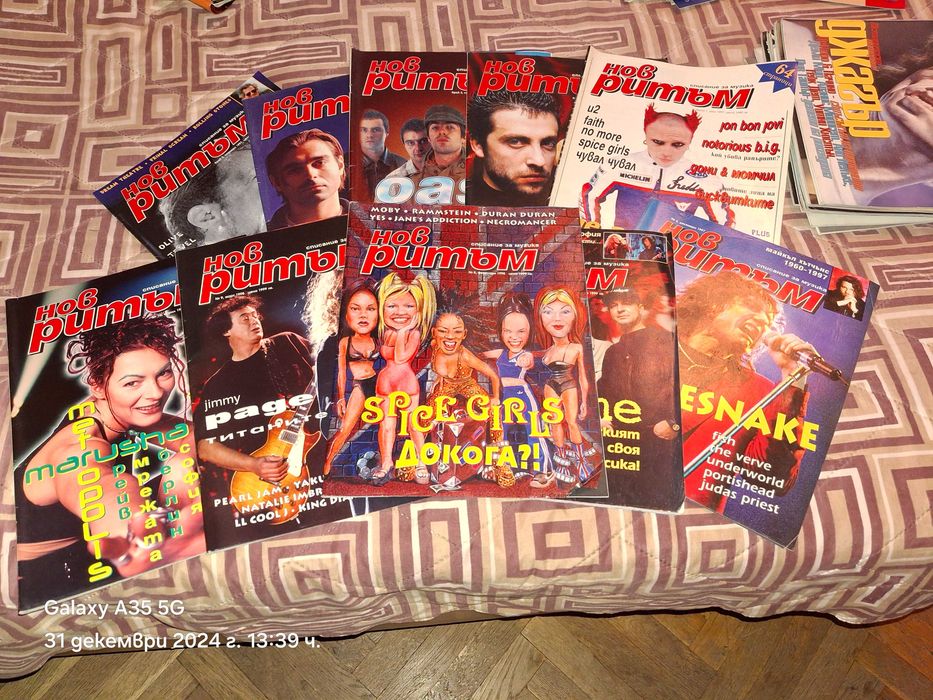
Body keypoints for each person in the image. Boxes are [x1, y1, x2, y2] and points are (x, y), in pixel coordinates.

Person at [16, 315, 205, 606]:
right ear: (97, 385)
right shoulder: (79, 445)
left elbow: (196, 440)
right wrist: (133, 531)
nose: (155, 392)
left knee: (183, 466)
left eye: (163, 373)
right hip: (46, 578)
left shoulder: (116, 409)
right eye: (132, 382)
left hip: (91, 550)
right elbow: (101, 485)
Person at [677, 271, 815, 512]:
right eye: (751, 305)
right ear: (711, 304)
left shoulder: (759, 391)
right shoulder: (642, 347)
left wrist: (793, 377)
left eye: (768, 322)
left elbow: (773, 477)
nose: (762, 321)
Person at [195, 295, 318, 546]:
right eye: (244, 318)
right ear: (226, 331)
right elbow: (204, 446)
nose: (254, 321)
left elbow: (330, 366)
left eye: (254, 316)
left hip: (318, 457)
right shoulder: (218, 385)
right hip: (268, 479)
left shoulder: (287, 343)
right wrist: (253, 465)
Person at [582, 105, 733, 229]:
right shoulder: (618, 164)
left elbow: (725, 223)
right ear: (646, 136)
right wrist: (593, 229)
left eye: (678, 144)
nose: (666, 152)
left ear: (690, 142)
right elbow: (589, 194)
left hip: (674, 251)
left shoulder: (706, 179)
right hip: (623, 246)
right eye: (658, 142)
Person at [597, 288, 680, 508]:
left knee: (655, 502)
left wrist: (675, 422)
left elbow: (686, 385)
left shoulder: (665, 340)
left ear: (641, 308)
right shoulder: (612, 352)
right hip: (621, 445)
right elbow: (604, 391)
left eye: (626, 303)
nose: (620, 309)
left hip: (659, 443)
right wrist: (600, 417)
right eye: (613, 305)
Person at [427, 310, 507, 487]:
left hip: (467, 384)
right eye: (443, 331)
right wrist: (439, 378)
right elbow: (444, 368)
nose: (450, 337)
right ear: (434, 333)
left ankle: (500, 463)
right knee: (426, 415)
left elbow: (493, 376)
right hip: (447, 385)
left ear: (464, 334)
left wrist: (495, 397)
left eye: (456, 331)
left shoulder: (465, 355)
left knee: (493, 412)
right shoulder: (435, 346)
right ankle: (417, 461)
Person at [371, 273, 436, 486]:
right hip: (385, 383)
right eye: (392, 306)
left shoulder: (413, 334)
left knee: (412, 425)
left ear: (419, 310)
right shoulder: (383, 333)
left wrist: (403, 332)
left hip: (406, 383)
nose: (400, 312)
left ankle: (421, 463)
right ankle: (386, 463)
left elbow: (400, 357)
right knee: (386, 426)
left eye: (409, 306)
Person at [482, 293, 554, 487]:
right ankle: (500, 468)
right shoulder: (500, 353)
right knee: (500, 433)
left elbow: (532, 360)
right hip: (503, 397)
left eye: (521, 331)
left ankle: (543, 470)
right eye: (508, 331)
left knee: (533, 432)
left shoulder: (525, 354)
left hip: (523, 397)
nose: (514, 337)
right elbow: (478, 355)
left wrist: (529, 359)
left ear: (530, 331)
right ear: (501, 331)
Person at [534, 285, 597, 486]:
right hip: (550, 386)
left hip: (569, 385)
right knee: (555, 423)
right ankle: (561, 463)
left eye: (565, 311)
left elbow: (583, 378)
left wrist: (584, 401)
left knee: (571, 422)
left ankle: (581, 462)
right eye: (548, 312)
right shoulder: (547, 351)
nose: (557, 319)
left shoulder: (576, 347)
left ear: (575, 316)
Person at [323, 280, 381, 477]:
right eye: (356, 309)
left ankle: (384, 463)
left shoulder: (379, 340)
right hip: (359, 386)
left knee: (387, 424)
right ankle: (327, 463)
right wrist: (341, 398)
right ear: (346, 314)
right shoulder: (345, 342)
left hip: (378, 385)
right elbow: (341, 372)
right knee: (345, 428)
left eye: (370, 309)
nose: (363, 315)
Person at [467, 89, 560, 206]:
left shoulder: (572, 197)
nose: (539, 161)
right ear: (478, 145)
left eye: (548, 143)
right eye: (515, 142)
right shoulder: (456, 199)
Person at [265, 129, 347, 230]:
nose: (310, 175)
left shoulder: (366, 219)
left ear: (340, 165)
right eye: (295, 170)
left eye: (319, 163)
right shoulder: (260, 234)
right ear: (276, 182)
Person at [359, 109, 406, 200]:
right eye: (364, 130)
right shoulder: (345, 164)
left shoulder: (403, 164)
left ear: (387, 132)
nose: (369, 135)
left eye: (375, 130)